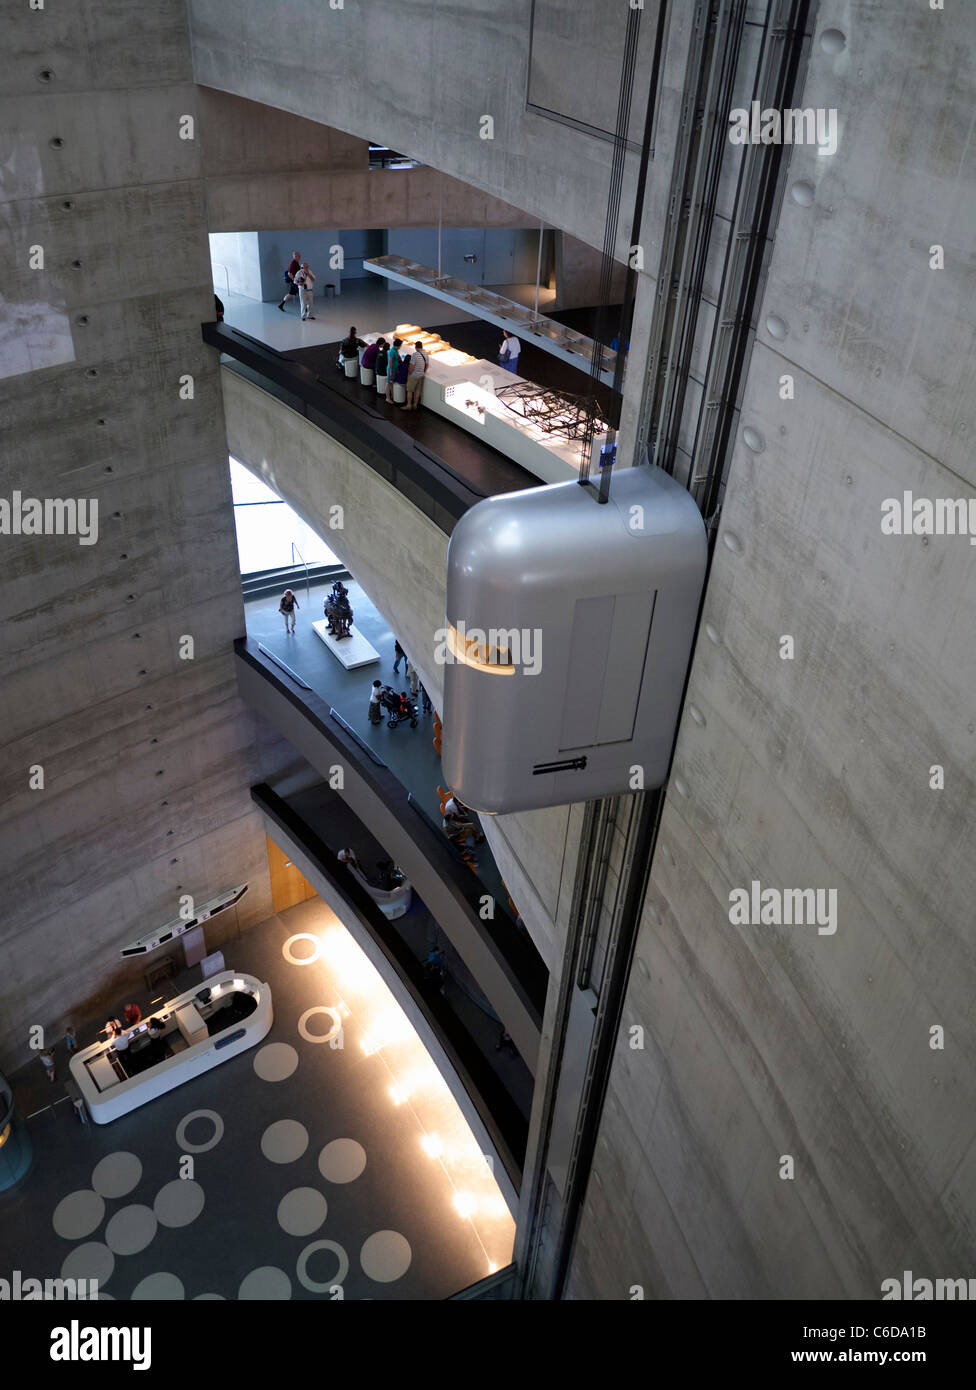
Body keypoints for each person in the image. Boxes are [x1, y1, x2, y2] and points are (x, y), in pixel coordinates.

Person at [405, 340, 429, 410]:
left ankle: (409, 405)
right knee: (418, 390)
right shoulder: (425, 354)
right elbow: (427, 365)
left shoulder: (414, 355)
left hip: (413, 375)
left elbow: (411, 366)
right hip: (421, 375)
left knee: (410, 390)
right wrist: (423, 372)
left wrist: (409, 373)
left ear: (416, 347)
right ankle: (415, 405)